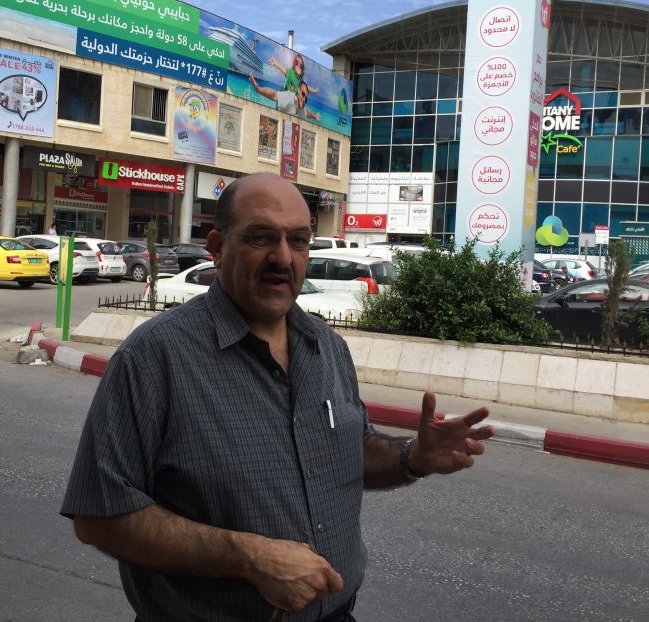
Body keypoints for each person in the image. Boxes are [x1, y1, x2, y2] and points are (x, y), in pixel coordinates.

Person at [61, 173, 492, 621]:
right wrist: (247, 556)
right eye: (261, 237)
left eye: (299, 240)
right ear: (217, 245)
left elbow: (350, 451)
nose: (283, 257)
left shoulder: (326, 347)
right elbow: (99, 516)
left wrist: (414, 455)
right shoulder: (154, 358)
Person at [249, 74, 323, 122]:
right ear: (298, 92)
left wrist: (315, 116)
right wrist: (259, 89)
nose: (304, 99)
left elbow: (307, 112)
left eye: (306, 98)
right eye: (303, 94)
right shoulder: (290, 97)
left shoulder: (301, 108)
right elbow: (274, 94)